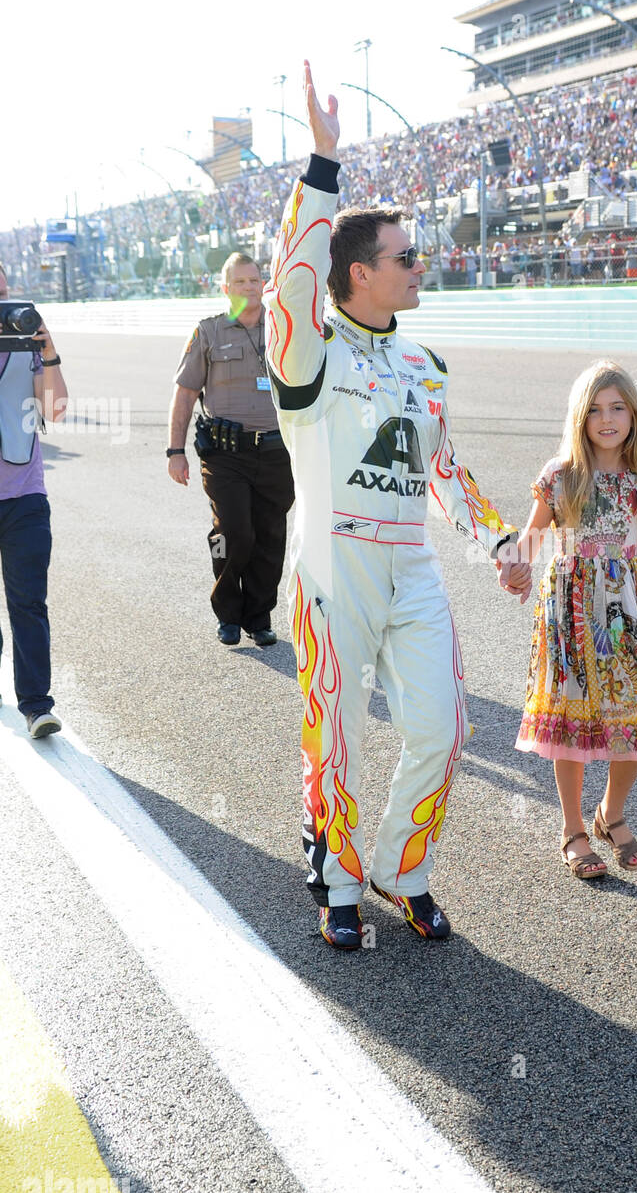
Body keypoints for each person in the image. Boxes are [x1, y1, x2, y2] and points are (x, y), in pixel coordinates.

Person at [264, 62, 530, 950]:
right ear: (358, 275)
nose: (421, 265)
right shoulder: (309, 354)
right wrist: (322, 165)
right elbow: (286, 291)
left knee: (444, 729)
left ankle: (397, 865)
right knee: (334, 739)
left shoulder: (424, 365)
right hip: (331, 565)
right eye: (406, 257)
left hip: (410, 560)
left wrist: (495, 539)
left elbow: (443, 467)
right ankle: (338, 877)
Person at [515, 361, 637, 879]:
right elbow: (531, 539)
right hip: (569, 608)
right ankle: (572, 827)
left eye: (617, 408)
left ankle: (611, 813)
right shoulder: (561, 475)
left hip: (625, 609)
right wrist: (515, 566)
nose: (606, 419)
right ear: (578, 417)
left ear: (634, 414)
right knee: (571, 717)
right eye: (594, 409)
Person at [167, 253, 294, 647]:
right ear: (225, 288)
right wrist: (175, 450)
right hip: (225, 455)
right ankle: (227, 612)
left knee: (270, 537)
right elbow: (186, 392)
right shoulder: (208, 332)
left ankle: (259, 617)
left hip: (277, 453)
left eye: (255, 280)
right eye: (240, 282)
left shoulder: (283, 331)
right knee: (233, 533)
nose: (250, 287)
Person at [0, 264, 68, 737]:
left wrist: (49, 352)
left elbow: (56, 410)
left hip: (25, 495)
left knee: (29, 601)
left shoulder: (27, 333)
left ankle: (37, 705)